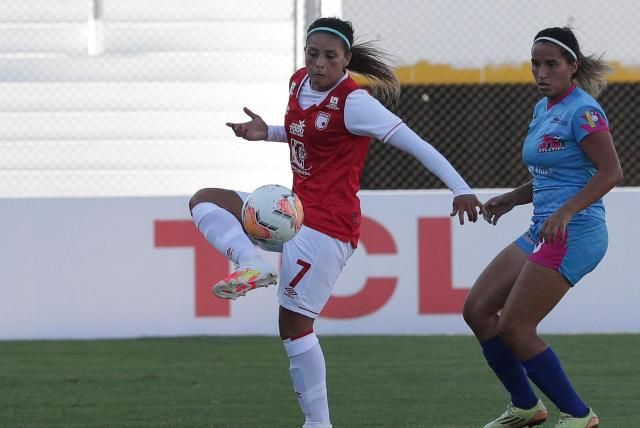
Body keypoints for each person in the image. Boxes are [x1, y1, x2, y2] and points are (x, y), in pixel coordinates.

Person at [189, 17, 482, 428]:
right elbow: (303, 133)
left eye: (330, 56)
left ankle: (318, 423)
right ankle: (250, 262)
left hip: (327, 227)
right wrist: (267, 132)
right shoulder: (297, 82)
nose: (319, 63)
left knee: (294, 326)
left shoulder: (355, 102)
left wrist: (461, 188)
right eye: (313, 54)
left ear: (346, 59)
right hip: (293, 212)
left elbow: (416, 144)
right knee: (205, 201)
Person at [463, 27, 623, 428]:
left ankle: (579, 415)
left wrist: (566, 212)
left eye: (552, 64)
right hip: (543, 229)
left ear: (573, 66)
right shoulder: (543, 109)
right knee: (479, 310)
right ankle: (525, 407)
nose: (542, 72)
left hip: (576, 231)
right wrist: (511, 198)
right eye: (536, 64)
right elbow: (555, 176)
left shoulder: (584, 112)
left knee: (515, 326)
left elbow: (611, 172)